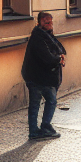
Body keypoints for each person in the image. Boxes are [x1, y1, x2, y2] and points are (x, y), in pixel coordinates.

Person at [22, 12, 66, 140]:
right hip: (37, 77)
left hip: (44, 76)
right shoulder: (38, 37)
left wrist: (60, 57)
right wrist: (59, 60)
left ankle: (42, 128)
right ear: (39, 23)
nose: (50, 24)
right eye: (46, 22)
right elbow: (47, 57)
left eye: (51, 22)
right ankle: (36, 130)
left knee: (47, 102)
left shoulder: (47, 35)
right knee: (42, 102)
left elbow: (60, 49)